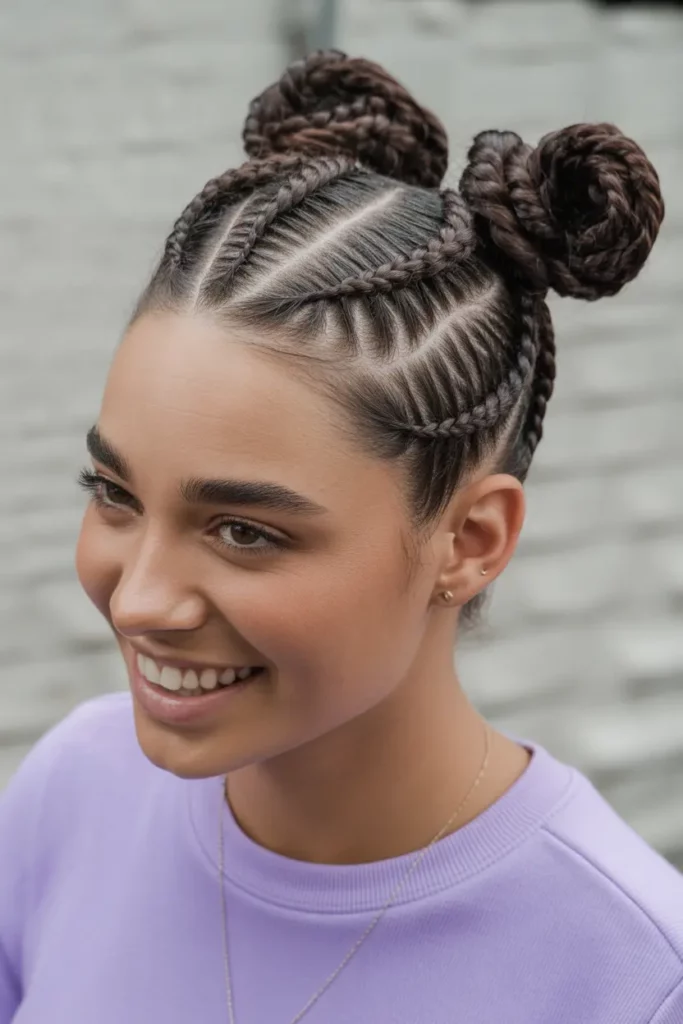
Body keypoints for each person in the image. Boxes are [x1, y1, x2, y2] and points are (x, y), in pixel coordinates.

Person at [0, 48, 681, 1024]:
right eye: (113, 491)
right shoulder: (73, 795)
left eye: (241, 529)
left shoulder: (630, 975)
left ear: (469, 541)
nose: (139, 597)